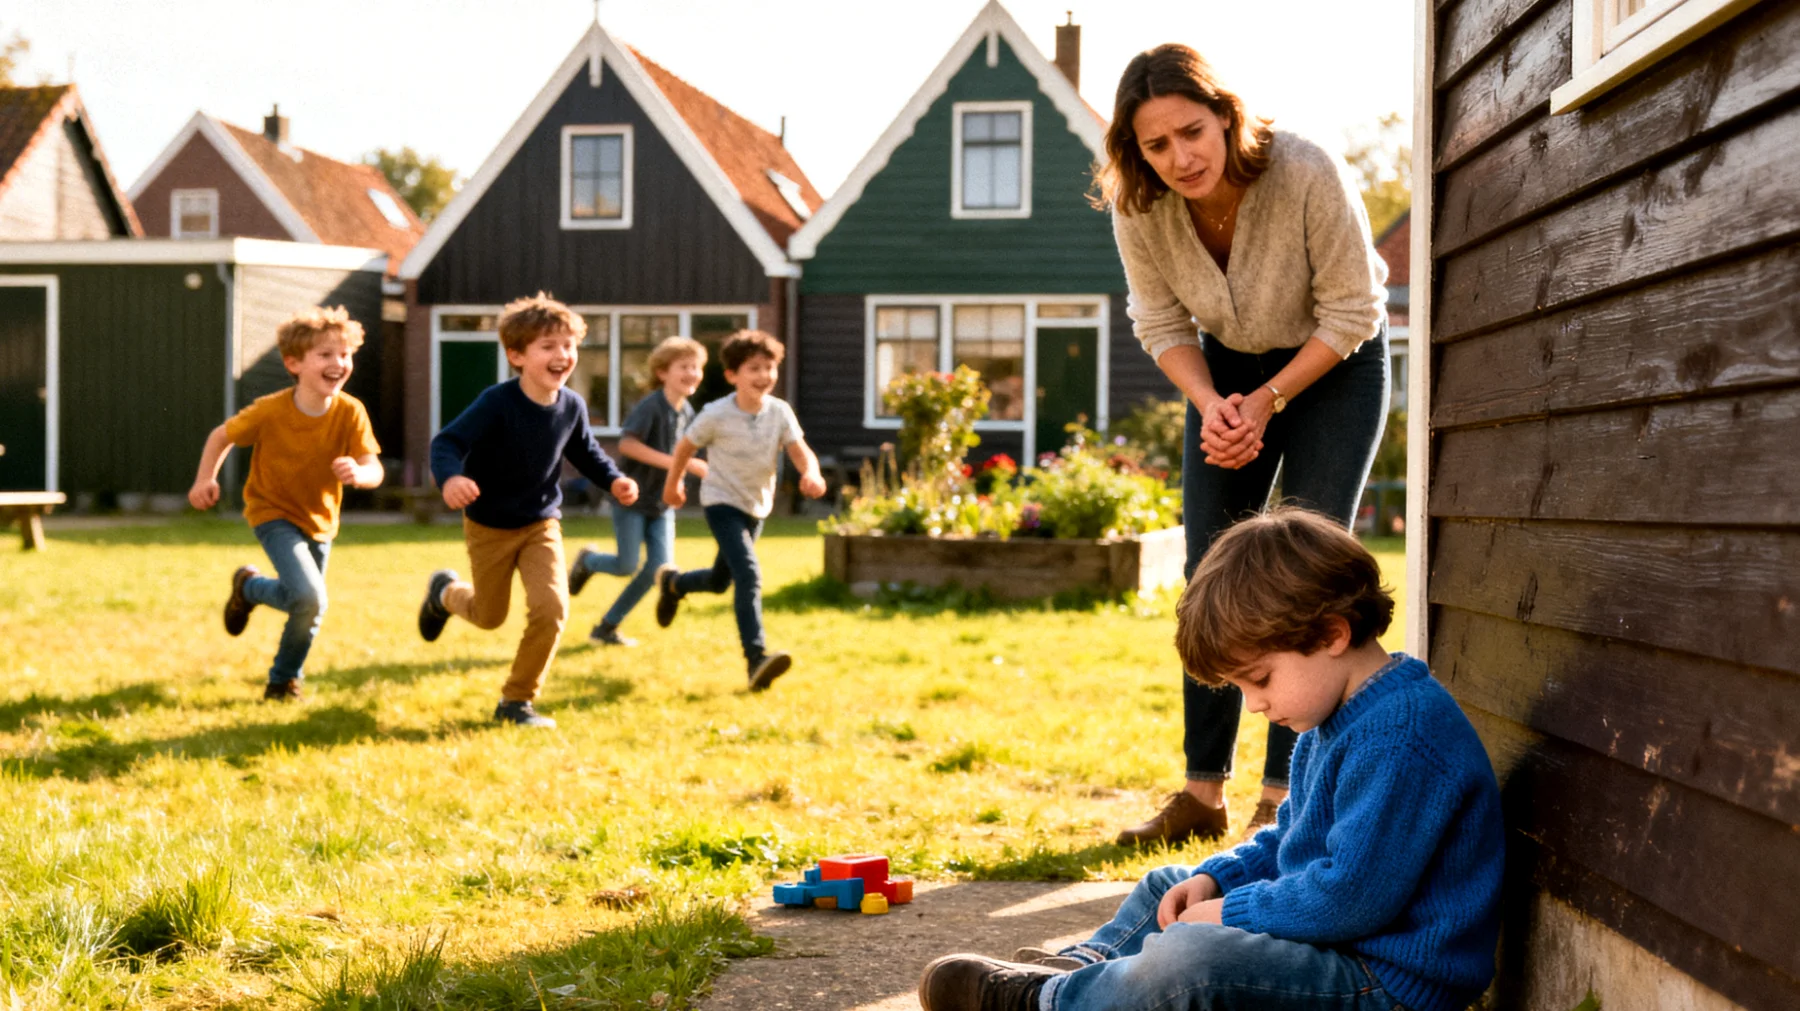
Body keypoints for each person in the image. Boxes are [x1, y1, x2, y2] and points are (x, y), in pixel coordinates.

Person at [917, 508, 1505, 1011]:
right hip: (1337, 946)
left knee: (1192, 956)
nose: (1253, 706)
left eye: (1260, 679)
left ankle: (1046, 1002)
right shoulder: (1341, 716)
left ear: (1331, 634)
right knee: (1168, 885)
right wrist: (1218, 880)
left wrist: (1231, 913)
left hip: (1383, 984)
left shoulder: (1399, 736)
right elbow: (1288, 840)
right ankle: (1078, 973)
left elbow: (1346, 899)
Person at [1103, 44, 1392, 846]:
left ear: (1227, 117)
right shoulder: (1141, 207)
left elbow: (1352, 311)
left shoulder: (1304, 170)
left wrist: (1269, 401)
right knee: (1211, 571)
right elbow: (1159, 323)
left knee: (1306, 573)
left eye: (1192, 132)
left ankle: (1285, 794)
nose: (1180, 158)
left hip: (1332, 361)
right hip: (1224, 373)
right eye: (1156, 146)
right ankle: (1202, 792)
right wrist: (1214, 405)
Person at [417, 293, 638, 727]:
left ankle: (516, 702)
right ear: (516, 354)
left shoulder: (571, 405)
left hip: (541, 523)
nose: (562, 355)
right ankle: (444, 593)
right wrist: (451, 479)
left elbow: (586, 451)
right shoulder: (497, 402)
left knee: (552, 609)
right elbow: (447, 443)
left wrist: (613, 479)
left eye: (568, 345)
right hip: (490, 525)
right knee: (488, 615)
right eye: (548, 346)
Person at [188, 306, 383, 701]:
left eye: (344, 354)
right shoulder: (271, 410)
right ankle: (283, 682)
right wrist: (205, 478)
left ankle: (249, 588)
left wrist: (359, 475)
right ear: (293, 362)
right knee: (312, 600)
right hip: (271, 511)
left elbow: (372, 467)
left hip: (321, 520)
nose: (338, 363)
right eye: (325, 355)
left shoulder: (351, 412)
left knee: (305, 605)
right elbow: (221, 436)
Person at [653, 330, 826, 691]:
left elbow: (799, 450)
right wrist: (673, 485)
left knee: (721, 581)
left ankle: (674, 583)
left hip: (756, 506)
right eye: (753, 369)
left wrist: (811, 472)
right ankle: (756, 659)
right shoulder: (716, 414)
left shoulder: (779, 412)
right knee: (748, 574)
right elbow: (685, 447)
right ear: (732, 375)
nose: (763, 376)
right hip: (721, 502)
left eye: (769, 368)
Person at [568, 337, 710, 646]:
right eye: (684, 366)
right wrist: (680, 466)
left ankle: (606, 627)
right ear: (662, 373)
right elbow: (627, 445)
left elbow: (678, 452)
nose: (692, 373)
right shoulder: (651, 406)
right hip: (631, 498)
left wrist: (679, 480)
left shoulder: (686, 411)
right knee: (626, 565)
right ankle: (589, 561)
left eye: (697, 367)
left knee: (658, 570)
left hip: (662, 504)